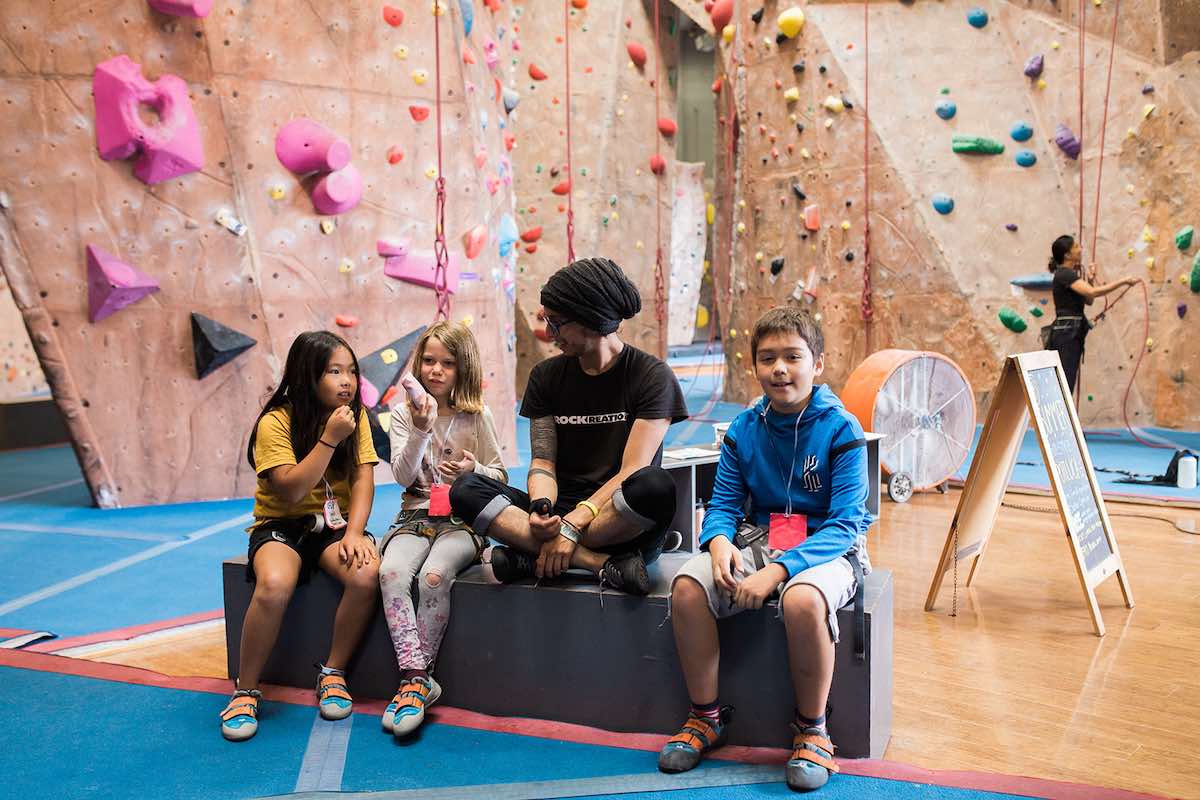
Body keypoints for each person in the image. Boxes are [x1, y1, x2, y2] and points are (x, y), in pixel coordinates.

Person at [658, 307, 872, 792]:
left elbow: (845, 524)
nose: (780, 369)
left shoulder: (842, 429)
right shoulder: (743, 429)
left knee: (801, 599)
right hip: (761, 540)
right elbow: (724, 505)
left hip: (832, 549)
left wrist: (777, 573)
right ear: (754, 365)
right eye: (767, 358)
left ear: (817, 364)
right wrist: (716, 543)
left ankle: (813, 731)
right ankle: (706, 717)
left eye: (793, 357)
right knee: (689, 586)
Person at [450, 256, 689, 595]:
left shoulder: (652, 376)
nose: (549, 333)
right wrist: (540, 507)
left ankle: (531, 557)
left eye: (557, 323)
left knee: (655, 485)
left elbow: (632, 469)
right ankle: (597, 564)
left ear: (590, 320)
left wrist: (574, 525)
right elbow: (543, 461)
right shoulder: (546, 376)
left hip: (618, 517)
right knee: (465, 489)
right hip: (559, 516)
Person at [221, 331, 380, 742]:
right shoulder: (276, 421)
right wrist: (329, 438)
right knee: (274, 584)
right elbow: (290, 489)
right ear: (308, 375)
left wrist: (356, 532)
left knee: (366, 574)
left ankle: (333, 672)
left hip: (334, 526)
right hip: (283, 525)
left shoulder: (355, 415)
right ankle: (246, 690)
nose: (347, 381)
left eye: (351, 372)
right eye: (334, 372)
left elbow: (364, 476)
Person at [378, 322, 507, 738]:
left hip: (459, 521)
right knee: (391, 574)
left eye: (447, 363)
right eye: (429, 361)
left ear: (462, 368)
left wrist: (474, 470)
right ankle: (416, 677)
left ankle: (418, 680)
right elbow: (401, 475)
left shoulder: (476, 414)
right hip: (414, 518)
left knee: (435, 577)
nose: (436, 370)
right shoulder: (402, 414)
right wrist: (419, 428)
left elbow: (501, 475)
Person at [1046, 234, 1137, 392]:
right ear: (1067, 255)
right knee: (1065, 383)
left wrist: (1090, 279)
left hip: (1070, 332)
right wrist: (1123, 281)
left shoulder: (1068, 274)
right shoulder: (1064, 274)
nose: (1080, 249)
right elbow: (1093, 293)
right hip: (1067, 334)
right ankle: (1061, 416)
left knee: (1067, 381)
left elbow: (1088, 300)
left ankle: (1064, 415)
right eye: (1076, 247)